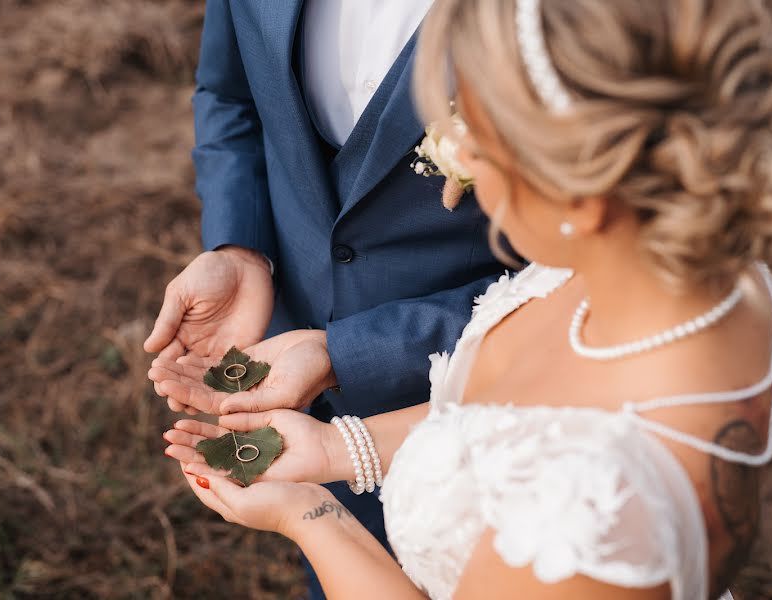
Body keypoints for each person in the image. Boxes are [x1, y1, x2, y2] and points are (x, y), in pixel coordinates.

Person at [156, 0, 772, 598]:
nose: (454, 158)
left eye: (473, 136)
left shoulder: (594, 508)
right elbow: (533, 411)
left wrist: (308, 515)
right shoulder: (683, 277)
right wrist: (340, 451)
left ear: (580, 197)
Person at [143, 1, 503, 596]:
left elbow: (589, 289)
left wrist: (356, 353)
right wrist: (241, 245)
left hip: (497, 410)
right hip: (302, 399)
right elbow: (230, 95)